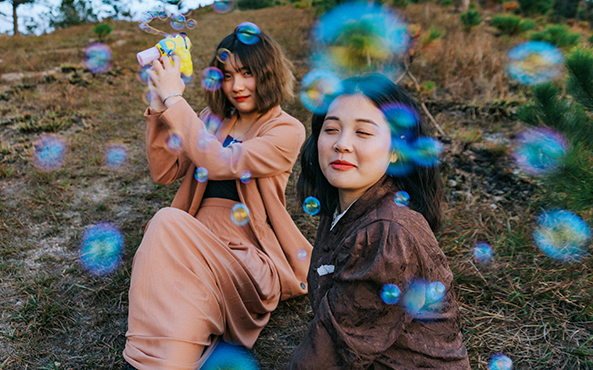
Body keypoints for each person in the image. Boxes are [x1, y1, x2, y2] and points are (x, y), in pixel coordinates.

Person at [124, 25, 312, 370]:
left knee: (165, 224)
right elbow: (164, 171)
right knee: (179, 291)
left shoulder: (286, 129)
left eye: (247, 73)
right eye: (227, 76)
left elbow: (222, 161)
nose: (236, 86)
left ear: (268, 73)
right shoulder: (209, 121)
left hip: (246, 255)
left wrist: (175, 101)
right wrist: (156, 102)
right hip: (195, 243)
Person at [288, 74, 470, 369]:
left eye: (363, 133)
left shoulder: (387, 233)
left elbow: (332, 347)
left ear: (396, 150)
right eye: (331, 129)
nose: (342, 144)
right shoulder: (346, 207)